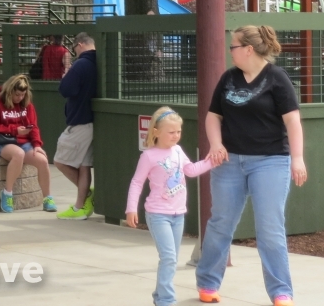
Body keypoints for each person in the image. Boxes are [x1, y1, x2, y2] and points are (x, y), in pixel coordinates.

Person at [195, 25, 307, 306]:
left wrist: (297, 158)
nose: (230, 50)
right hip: (229, 161)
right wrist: (216, 144)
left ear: (248, 49)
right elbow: (213, 116)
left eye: (233, 46)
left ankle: (281, 291)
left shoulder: (277, 78)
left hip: (270, 161)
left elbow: (292, 121)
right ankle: (207, 283)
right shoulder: (228, 78)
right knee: (221, 223)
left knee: (270, 228)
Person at [126, 107, 214, 306]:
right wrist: (131, 208)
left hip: (178, 214)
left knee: (171, 259)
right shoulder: (149, 156)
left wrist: (212, 161)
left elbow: (191, 170)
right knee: (168, 258)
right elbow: (137, 182)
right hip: (158, 214)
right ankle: (167, 300)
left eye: (179, 131)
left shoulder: (178, 151)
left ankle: (160, 296)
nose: (176, 135)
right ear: (156, 132)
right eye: (171, 132)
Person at [0, 74, 57, 213]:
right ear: (9, 91)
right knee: (18, 154)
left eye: (23, 95)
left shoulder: (27, 106)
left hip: (22, 142)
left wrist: (37, 145)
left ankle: (47, 198)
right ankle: (7, 194)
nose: (20, 98)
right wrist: (15, 130)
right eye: (17, 94)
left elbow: (33, 126)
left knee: (42, 160)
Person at [53, 32, 98, 219]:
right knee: (84, 165)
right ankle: (80, 207)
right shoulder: (99, 62)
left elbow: (65, 89)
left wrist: (66, 75)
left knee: (60, 161)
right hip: (93, 121)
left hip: (79, 121)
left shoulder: (81, 64)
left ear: (79, 45)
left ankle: (85, 196)